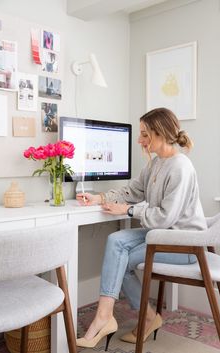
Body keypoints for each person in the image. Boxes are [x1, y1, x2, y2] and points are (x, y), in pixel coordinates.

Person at [76, 107, 207, 349]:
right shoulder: (156, 164)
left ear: (161, 133)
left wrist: (127, 211)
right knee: (115, 241)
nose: (140, 140)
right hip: (162, 235)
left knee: (120, 260)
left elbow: (165, 218)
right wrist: (100, 198)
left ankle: (139, 317)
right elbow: (132, 191)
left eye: (145, 134)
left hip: (184, 243)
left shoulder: (181, 167)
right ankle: (109, 317)